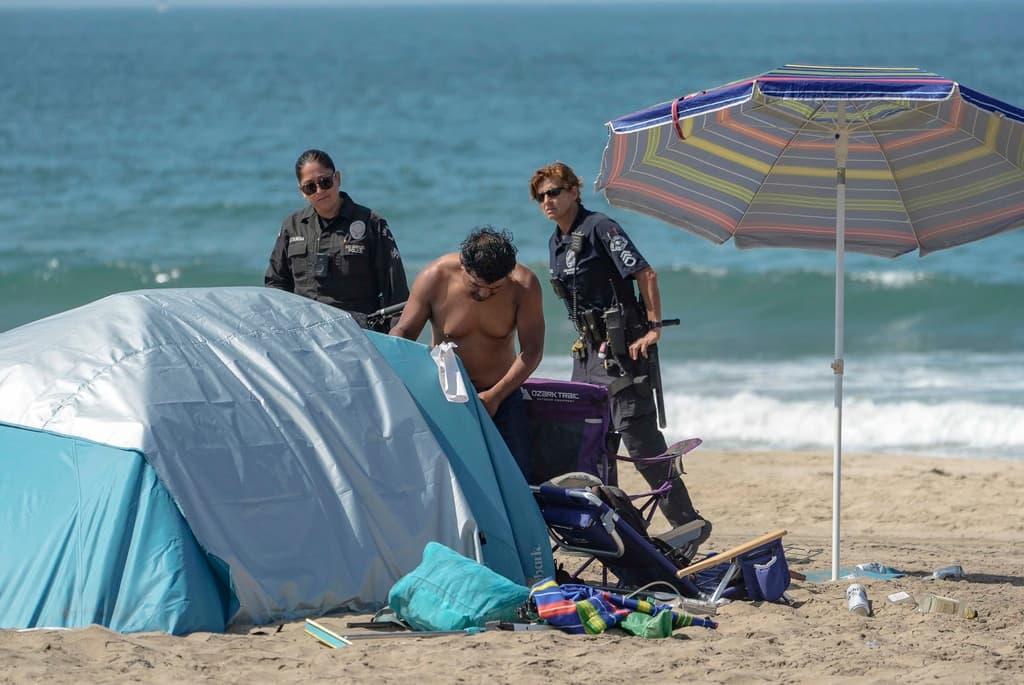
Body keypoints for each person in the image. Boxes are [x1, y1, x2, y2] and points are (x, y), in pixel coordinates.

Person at [530, 161, 711, 539]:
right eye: (541, 195)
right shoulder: (556, 242)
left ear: (574, 192)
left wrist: (654, 328)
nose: (547, 200)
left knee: (639, 440)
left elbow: (645, 274)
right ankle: (619, 527)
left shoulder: (600, 228)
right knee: (593, 444)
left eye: (554, 192)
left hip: (623, 352)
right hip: (587, 354)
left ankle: (686, 522)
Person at [389, 227, 544, 477]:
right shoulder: (434, 277)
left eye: (494, 289)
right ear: (463, 264)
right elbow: (403, 333)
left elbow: (533, 350)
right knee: (445, 478)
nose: (484, 294)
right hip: (445, 395)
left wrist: (495, 396)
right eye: (476, 285)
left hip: (502, 395)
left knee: (516, 478)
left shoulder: (524, 286)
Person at [265, 149, 409, 331]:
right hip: (305, 336)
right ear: (302, 191)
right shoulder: (292, 226)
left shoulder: (371, 223)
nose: (319, 191)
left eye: (325, 182)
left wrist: (395, 344)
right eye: (310, 187)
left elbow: (396, 296)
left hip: (358, 336)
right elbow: (276, 285)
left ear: (337, 178)